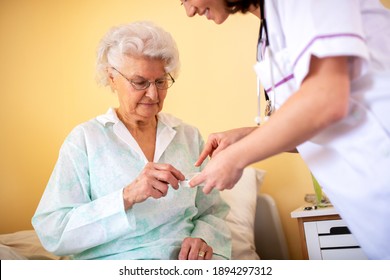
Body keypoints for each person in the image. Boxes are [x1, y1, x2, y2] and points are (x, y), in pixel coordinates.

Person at [180, 0, 390, 259]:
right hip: (371, 208)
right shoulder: (270, 30)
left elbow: (327, 100)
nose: (189, 11)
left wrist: (235, 158)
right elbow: (313, 128)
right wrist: (245, 137)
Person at [32, 21, 231, 260]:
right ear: (112, 77)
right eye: (139, 82)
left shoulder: (187, 136)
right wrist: (126, 196)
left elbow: (213, 211)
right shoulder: (85, 140)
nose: (153, 94)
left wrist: (203, 238)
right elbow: (53, 231)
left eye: (160, 81)